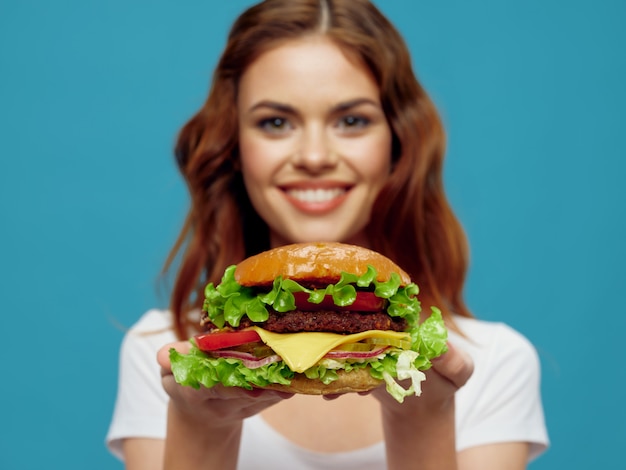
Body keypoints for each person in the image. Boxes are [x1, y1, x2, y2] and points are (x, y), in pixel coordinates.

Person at [106, 1, 549, 469]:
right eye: (275, 122)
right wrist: (201, 425)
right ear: (233, 147)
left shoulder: (495, 363)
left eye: (351, 120)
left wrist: (425, 414)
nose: (314, 155)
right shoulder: (162, 355)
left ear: (397, 145)